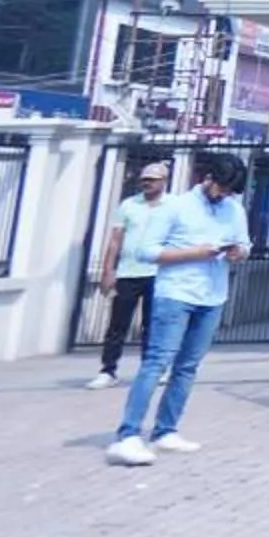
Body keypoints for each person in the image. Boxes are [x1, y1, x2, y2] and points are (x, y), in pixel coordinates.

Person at [106, 151, 252, 468]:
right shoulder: (176, 206)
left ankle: (165, 429)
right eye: (222, 188)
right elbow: (147, 252)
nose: (224, 194)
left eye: (230, 191)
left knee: (187, 367)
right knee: (157, 362)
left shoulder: (233, 210)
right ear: (208, 178)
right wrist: (195, 253)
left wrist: (237, 253)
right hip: (176, 292)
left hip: (213, 294)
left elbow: (244, 244)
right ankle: (128, 434)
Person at [90, 162, 172, 390]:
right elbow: (116, 239)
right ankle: (108, 370)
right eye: (145, 179)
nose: (147, 183)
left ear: (164, 181)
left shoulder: (173, 206)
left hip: (158, 272)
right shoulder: (129, 205)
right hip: (129, 271)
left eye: (152, 179)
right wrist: (108, 269)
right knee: (118, 324)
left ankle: (153, 368)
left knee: (153, 324)